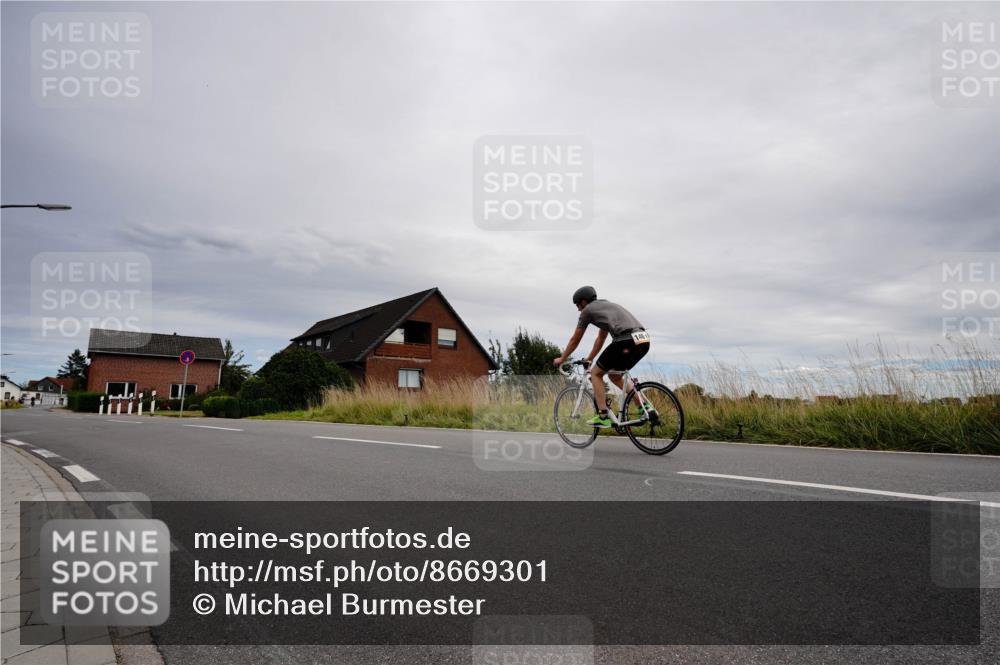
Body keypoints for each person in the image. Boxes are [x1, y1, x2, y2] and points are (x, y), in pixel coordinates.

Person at [552, 286, 651, 427]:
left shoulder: (587, 311)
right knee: (615, 376)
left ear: (584, 301)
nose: (578, 309)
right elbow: (601, 338)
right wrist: (590, 358)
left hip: (625, 340)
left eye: (578, 305)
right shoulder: (606, 307)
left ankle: (603, 415)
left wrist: (562, 358)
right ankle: (645, 407)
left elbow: (575, 339)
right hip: (643, 340)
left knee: (595, 374)